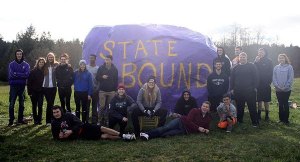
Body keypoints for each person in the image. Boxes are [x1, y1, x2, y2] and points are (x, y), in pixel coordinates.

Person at [51, 105, 136, 141]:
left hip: (84, 127)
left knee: (102, 128)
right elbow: (55, 136)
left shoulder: (68, 115)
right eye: (54, 113)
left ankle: (123, 135)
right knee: (104, 136)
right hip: (81, 135)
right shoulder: (54, 123)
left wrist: (71, 131)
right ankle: (126, 138)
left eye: (57, 112)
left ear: (61, 111)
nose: (56, 114)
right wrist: (60, 137)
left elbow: (80, 123)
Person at [140, 101, 212, 140]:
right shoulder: (195, 110)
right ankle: (147, 134)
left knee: (166, 134)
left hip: (185, 131)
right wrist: (198, 128)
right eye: (204, 106)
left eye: (207, 107)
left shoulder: (208, 117)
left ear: (209, 109)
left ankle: (148, 135)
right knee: (166, 128)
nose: (205, 108)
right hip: (180, 121)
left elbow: (206, 126)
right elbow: (188, 121)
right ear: (201, 106)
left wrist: (206, 130)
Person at [230, 52, 259, 127]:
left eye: (244, 57)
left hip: (250, 90)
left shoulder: (252, 66)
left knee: (252, 107)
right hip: (238, 90)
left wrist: (254, 87)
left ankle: (255, 122)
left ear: (246, 58)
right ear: (239, 58)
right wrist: (232, 89)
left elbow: (256, 78)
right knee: (239, 107)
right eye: (241, 57)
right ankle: (240, 121)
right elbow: (232, 79)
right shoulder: (235, 68)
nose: (242, 58)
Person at [8, 49, 30, 126]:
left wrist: (16, 73)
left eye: (20, 54)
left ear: (22, 55)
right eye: (17, 54)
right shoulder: (11, 64)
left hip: (22, 86)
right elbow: (11, 75)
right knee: (12, 103)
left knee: (22, 104)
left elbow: (27, 75)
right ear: (16, 55)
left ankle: (20, 120)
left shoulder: (26, 65)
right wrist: (21, 75)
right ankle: (11, 120)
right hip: (13, 86)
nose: (19, 55)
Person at [96, 55, 118, 125]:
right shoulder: (101, 68)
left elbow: (116, 80)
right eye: (105, 60)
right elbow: (97, 78)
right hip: (102, 90)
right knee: (102, 106)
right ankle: (99, 120)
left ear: (111, 60)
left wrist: (115, 90)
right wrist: (102, 77)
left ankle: (107, 119)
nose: (106, 61)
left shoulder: (114, 69)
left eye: (108, 60)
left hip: (111, 91)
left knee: (109, 106)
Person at [273, 54, 294, 124]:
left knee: (285, 103)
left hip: (286, 90)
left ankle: (286, 120)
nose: (281, 59)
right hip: (278, 90)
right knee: (280, 104)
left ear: (285, 59)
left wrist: (285, 87)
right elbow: (274, 78)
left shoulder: (289, 67)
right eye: (279, 58)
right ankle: (281, 119)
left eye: (282, 58)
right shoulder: (276, 67)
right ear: (278, 59)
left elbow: (290, 78)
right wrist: (277, 86)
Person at [254, 48, 273, 121]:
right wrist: (255, 61)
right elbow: (253, 70)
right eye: (259, 52)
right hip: (258, 84)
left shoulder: (269, 61)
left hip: (266, 84)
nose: (260, 53)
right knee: (259, 100)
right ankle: (258, 115)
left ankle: (267, 115)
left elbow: (271, 72)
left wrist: (269, 82)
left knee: (266, 100)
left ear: (265, 53)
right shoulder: (256, 61)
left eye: (262, 52)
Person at [27, 57, 46, 125]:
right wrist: (29, 92)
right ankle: (35, 120)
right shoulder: (33, 71)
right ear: (37, 63)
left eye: (42, 62)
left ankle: (39, 119)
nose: (41, 63)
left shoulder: (45, 71)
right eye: (40, 62)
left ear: (44, 64)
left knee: (40, 106)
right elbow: (29, 82)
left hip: (41, 92)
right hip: (33, 91)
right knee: (34, 106)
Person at [43, 52, 59, 125]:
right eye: (49, 57)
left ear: (53, 58)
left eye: (52, 57)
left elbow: (62, 67)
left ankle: (52, 120)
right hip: (46, 87)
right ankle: (48, 121)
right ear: (47, 58)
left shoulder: (56, 64)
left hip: (53, 87)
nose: (50, 58)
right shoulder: (44, 64)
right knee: (49, 103)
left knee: (51, 103)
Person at [86, 54, 99, 124]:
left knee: (94, 106)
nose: (91, 59)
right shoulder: (86, 67)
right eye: (90, 58)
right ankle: (86, 121)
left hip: (95, 90)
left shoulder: (98, 68)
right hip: (87, 91)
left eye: (93, 58)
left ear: (95, 59)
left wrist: (97, 88)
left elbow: (99, 80)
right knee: (87, 106)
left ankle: (94, 121)